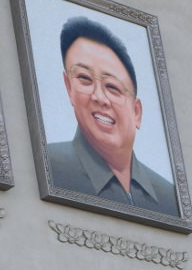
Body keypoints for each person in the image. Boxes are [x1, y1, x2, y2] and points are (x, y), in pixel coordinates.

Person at [47, 16, 179, 216]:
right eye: (84, 78)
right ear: (69, 87)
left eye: (112, 87)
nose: (99, 97)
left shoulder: (169, 198)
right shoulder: (50, 166)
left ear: (137, 112)